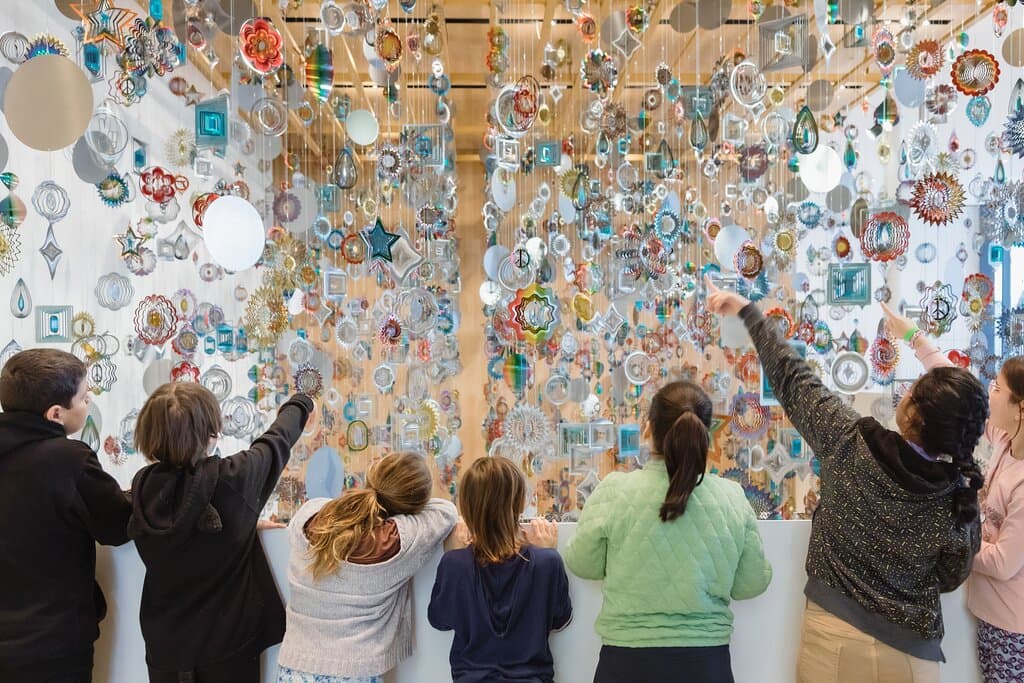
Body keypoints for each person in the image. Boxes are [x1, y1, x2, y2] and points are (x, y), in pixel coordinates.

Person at [705, 276, 987, 683]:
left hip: (833, 639)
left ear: (913, 414)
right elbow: (948, 577)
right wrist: (918, 341)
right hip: (913, 655)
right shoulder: (959, 494)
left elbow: (791, 375)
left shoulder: (850, 441)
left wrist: (748, 310)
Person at [564, 380, 772, 683]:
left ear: (649, 430)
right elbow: (750, 584)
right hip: (706, 665)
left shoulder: (616, 489)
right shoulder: (732, 497)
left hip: (626, 662)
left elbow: (583, 562)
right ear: (707, 435)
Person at [128, 383, 314, 683]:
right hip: (226, 650)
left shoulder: (140, 493)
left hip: (164, 650)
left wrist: (243, 523)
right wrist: (302, 400)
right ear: (210, 435)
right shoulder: (233, 479)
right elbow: (277, 440)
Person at [883, 303, 1024, 682]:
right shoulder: (1004, 439)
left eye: (996, 388)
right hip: (996, 616)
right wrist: (913, 337)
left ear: (1019, 407)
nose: (987, 392)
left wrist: (948, 542)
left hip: (1013, 628)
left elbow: (1004, 564)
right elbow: (957, 382)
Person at [0, 349, 132, 683]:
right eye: (85, 398)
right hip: (53, 645)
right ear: (56, 413)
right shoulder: (68, 460)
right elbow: (118, 525)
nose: (89, 404)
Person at [276, 451, 457, 683]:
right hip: (354, 673)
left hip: (293, 669)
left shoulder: (310, 516)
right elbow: (446, 511)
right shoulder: (399, 542)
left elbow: (336, 510)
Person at [428, 456, 572, 683]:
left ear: (466, 505)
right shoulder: (547, 562)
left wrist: (453, 556)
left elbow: (439, 620)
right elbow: (560, 619)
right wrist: (549, 552)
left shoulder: (454, 564)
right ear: (518, 503)